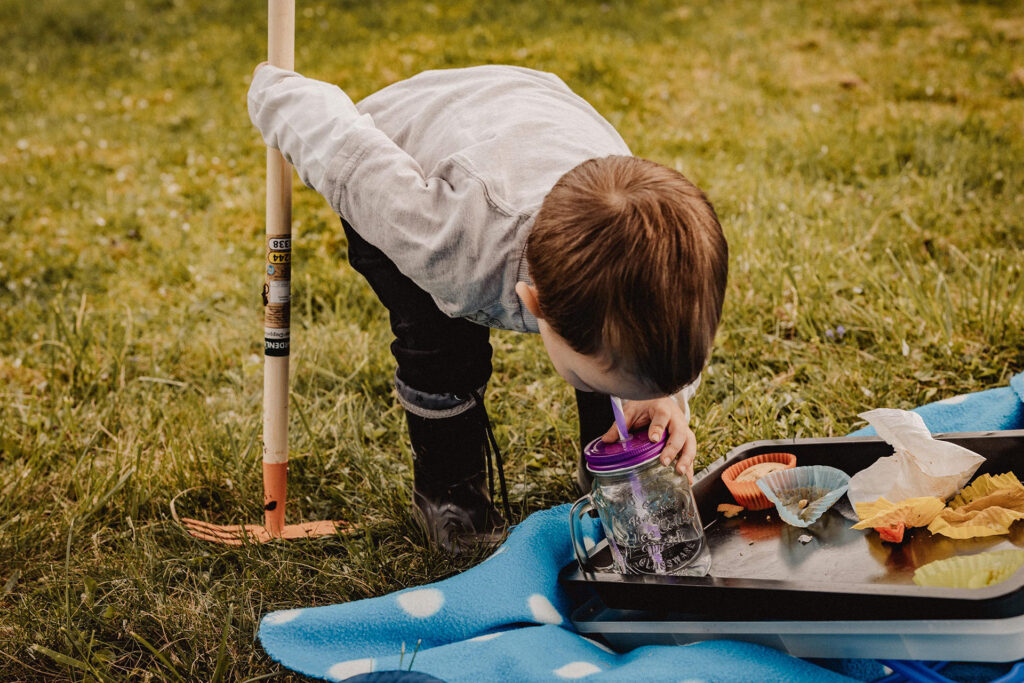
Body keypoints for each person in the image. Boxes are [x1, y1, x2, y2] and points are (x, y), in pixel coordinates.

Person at [247, 63, 728, 552]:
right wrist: (281, 97)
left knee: (610, 344)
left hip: (533, 110)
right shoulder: (448, 242)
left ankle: (609, 467)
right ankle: (450, 496)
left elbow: (650, 330)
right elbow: (348, 154)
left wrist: (663, 396)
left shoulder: (654, 243)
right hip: (404, 148)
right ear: (534, 304)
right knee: (440, 345)